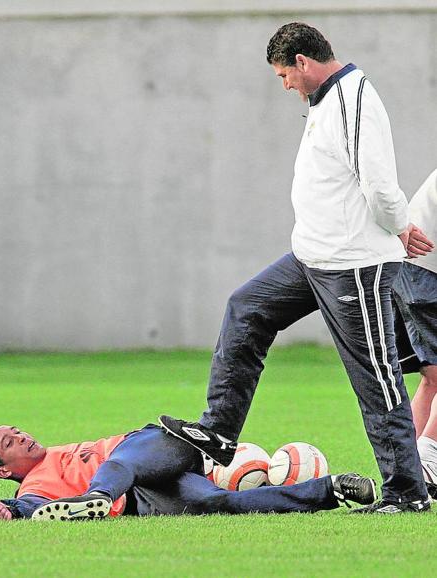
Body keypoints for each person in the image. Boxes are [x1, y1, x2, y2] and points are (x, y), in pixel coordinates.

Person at [159, 22, 430, 514]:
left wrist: (399, 226)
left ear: (303, 62)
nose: (284, 84)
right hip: (309, 258)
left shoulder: (354, 99)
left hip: (353, 266)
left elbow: (380, 187)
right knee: (246, 308)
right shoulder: (324, 101)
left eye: (284, 74)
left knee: (376, 377)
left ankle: (407, 493)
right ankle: (219, 434)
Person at [0, 423, 376, 521]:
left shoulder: (62, 454)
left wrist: (102, 491)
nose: (23, 436)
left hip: (155, 447)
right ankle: (333, 489)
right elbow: (31, 505)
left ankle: (97, 498)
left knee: (117, 462)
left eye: (18, 431)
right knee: (217, 502)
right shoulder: (35, 487)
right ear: (3, 471)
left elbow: (122, 460)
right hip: (142, 497)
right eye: (11, 442)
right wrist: (12, 510)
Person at [392, 168, 437, 493]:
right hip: (427, 269)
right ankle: (429, 461)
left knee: (433, 377)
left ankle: (406, 472)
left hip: (409, 268)